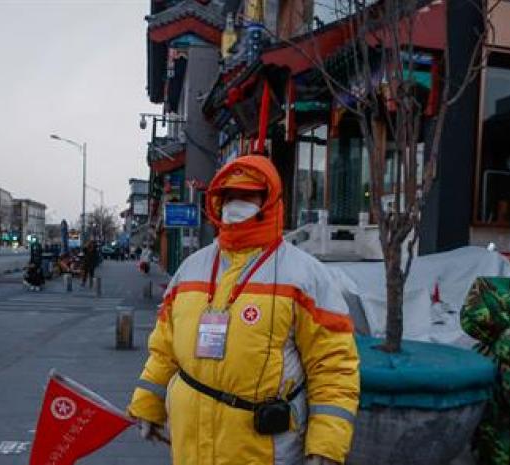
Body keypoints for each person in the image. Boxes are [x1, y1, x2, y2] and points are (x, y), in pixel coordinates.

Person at [127, 155, 360, 465]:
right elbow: (164, 350)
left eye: (248, 195)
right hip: (191, 444)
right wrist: (147, 403)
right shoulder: (191, 269)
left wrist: (326, 445)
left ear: (269, 199)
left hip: (262, 449)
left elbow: (333, 366)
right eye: (230, 196)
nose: (236, 203)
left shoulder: (306, 276)